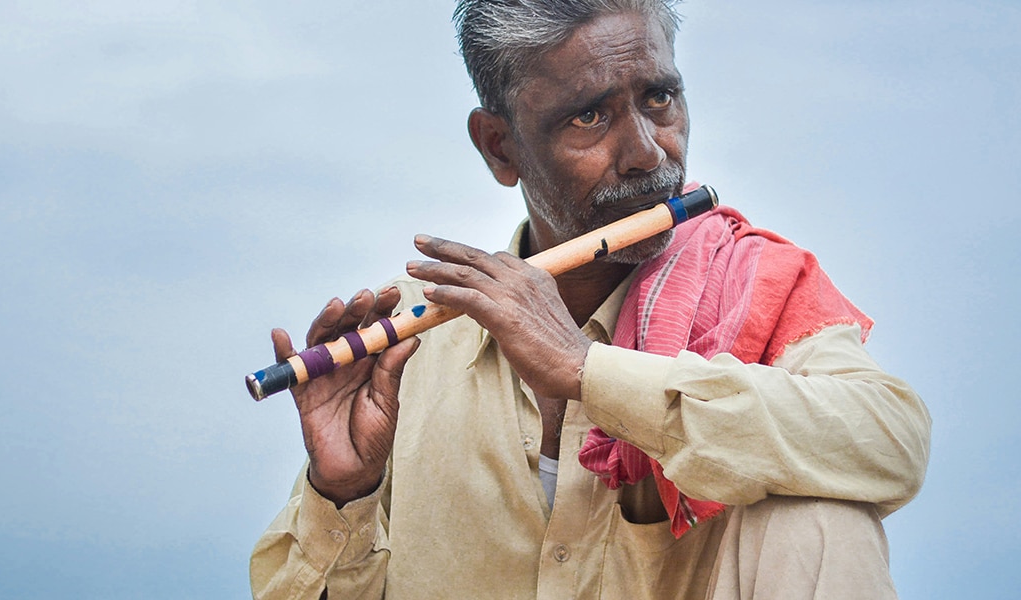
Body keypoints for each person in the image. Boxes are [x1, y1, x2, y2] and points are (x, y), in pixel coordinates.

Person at [249, 1, 931, 598]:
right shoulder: (408, 350)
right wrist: (343, 492)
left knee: (816, 511)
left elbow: (890, 441)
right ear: (499, 147)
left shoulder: (752, 289)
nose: (646, 153)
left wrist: (590, 372)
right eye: (589, 115)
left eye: (659, 99)